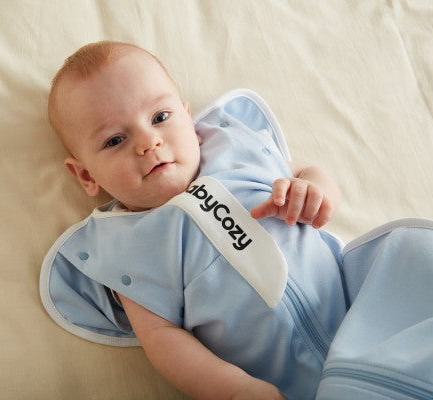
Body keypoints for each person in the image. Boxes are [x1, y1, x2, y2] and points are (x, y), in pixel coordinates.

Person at [43, 40, 433, 399]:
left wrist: (315, 191)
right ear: (86, 176)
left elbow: (307, 171)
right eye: (115, 140)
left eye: (160, 116)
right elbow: (163, 342)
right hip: (293, 384)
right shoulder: (126, 247)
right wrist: (236, 390)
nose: (149, 142)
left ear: (189, 120)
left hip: (371, 314)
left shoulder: (238, 150)